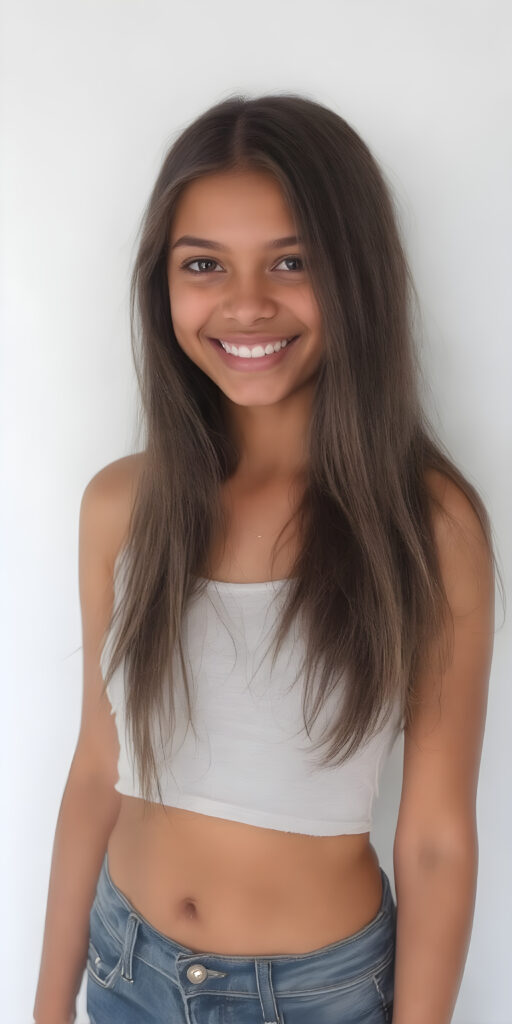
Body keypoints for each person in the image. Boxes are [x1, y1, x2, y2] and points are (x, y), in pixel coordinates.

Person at [33, 93, 499, 1024]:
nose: (247, 303)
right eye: (203, 264)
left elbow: (438, 838)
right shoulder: (123, 505)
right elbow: (97, 769)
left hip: (313, 998)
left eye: (292, 261)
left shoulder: (424, 523)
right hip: (125, 970)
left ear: (355, 276)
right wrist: (47, 1008)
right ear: (161, 285)